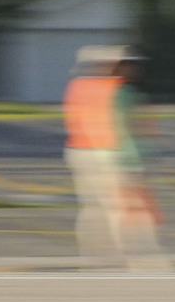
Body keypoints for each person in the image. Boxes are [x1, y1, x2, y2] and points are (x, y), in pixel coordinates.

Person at [63, 45, 169, 271]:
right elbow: (126, 127)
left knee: (94, 208)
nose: (131, 68)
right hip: (107, 153)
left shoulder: (78, 87)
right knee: (121, 208)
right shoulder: (116, 90)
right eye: (125, 64)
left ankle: (96, 256)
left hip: (81, 150)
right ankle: (133, 255)